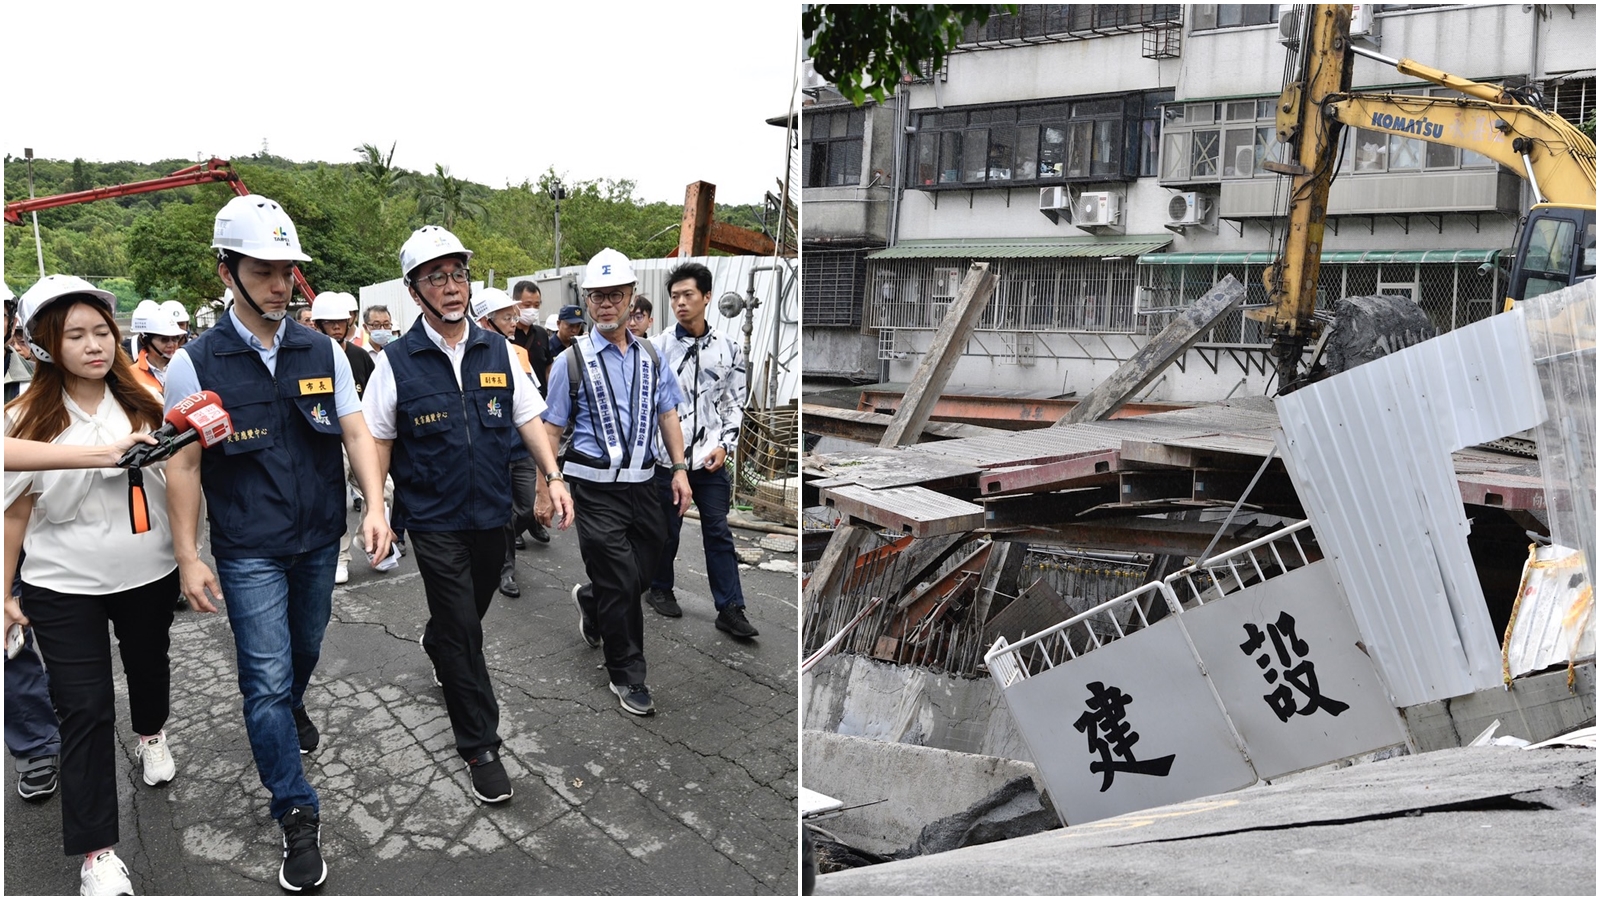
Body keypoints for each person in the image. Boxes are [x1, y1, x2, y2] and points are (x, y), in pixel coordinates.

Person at [162, 194, 392, 892]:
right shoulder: (194, 364)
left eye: (287, 270)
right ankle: (295, 806)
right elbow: (185, 464)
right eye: (263, 270)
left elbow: (355, 430)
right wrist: (187, 554)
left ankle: (293, 702)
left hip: (320, 538)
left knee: (305, 650)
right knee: (262, 679)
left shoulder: (323, 348)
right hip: (249, 548)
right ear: (227, 270)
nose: (280, 283)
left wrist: (375, 505)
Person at [364, 226, 572, 804]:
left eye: (457, 274)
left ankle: (440, 642)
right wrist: (376, 507)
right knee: (465, 630)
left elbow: (529, 417)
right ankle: (480, 744)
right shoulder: (396, 363)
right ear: (415, 291)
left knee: (463, 617)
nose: (451, 287)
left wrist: (552, 479)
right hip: (432, 520)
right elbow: (378, 439)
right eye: (436, 277)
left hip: (490, 517)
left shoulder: (498, 350)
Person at [2, 274, 181, 897]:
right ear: (45, 345)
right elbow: (15, 508)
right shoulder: (24, 416)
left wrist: (190, 552)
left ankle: (152, 733)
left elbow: (188, 481)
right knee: (83, 709)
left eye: (101, 331)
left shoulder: (148, 401)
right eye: (74, 334)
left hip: (148, 572)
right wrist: (5, 591)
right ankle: (98, 854)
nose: (93, 345)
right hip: (61, 583)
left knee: (148, 668)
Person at [542, 248, 691, 717]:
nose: (606, 304)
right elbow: (550, 429)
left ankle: (592, 599)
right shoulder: (570, 362)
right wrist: (548, 485)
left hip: (645, 484)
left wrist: (680, 468)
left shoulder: (651, 354)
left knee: (642, 572)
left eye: (615, 295)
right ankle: (627, 673)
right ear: (587, 300)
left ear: (631, 298)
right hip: (594, 489)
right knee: (623, 580)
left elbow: (668, 411)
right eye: (597, 296)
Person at [647, 262, 758, 638]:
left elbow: (734, 402)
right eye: (674, 296)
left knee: (718, 531)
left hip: (710, 461)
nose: (680, 302)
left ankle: (730, 608)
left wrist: (726, 446)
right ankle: (659, 587)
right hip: (665, 461)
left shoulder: (728, 349)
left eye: (688, 295)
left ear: (707, 297)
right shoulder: (657, 348)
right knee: (667, 531)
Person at [472, 287, 546, 599]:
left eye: (513, 315)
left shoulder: (519, 353)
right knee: (502, 512)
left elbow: (531, 404)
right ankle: (505, 570)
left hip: (522, 450)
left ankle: (494, 546)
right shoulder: (471, 359)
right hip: (494, 453)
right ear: (486, 321)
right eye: (506, 317)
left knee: (527, 509)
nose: (514, 321)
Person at [310, 291, 377, 585]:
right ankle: (341, 556)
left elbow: (373, 395)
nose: (337, 327)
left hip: (359, 434)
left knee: (383, 490)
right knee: (336, 497)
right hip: (327, 438)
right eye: (330, 322)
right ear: (318, 324)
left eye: (341, 322)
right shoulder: (311, 355)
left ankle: (369, 536)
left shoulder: (360, 356)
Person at [127, 301, 187, 398]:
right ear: (145, 340)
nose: (171, 344)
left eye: (175, 338)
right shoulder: (131, 375)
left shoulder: (187, 367)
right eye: (164, 339)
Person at [509, 281, 552, 396]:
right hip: (516, 401)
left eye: (536, 305)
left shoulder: (541, 334)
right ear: (514, 303)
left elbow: (548, 368)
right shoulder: (505, 335)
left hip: (541, 401)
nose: (532, 310)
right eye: (527, 305)